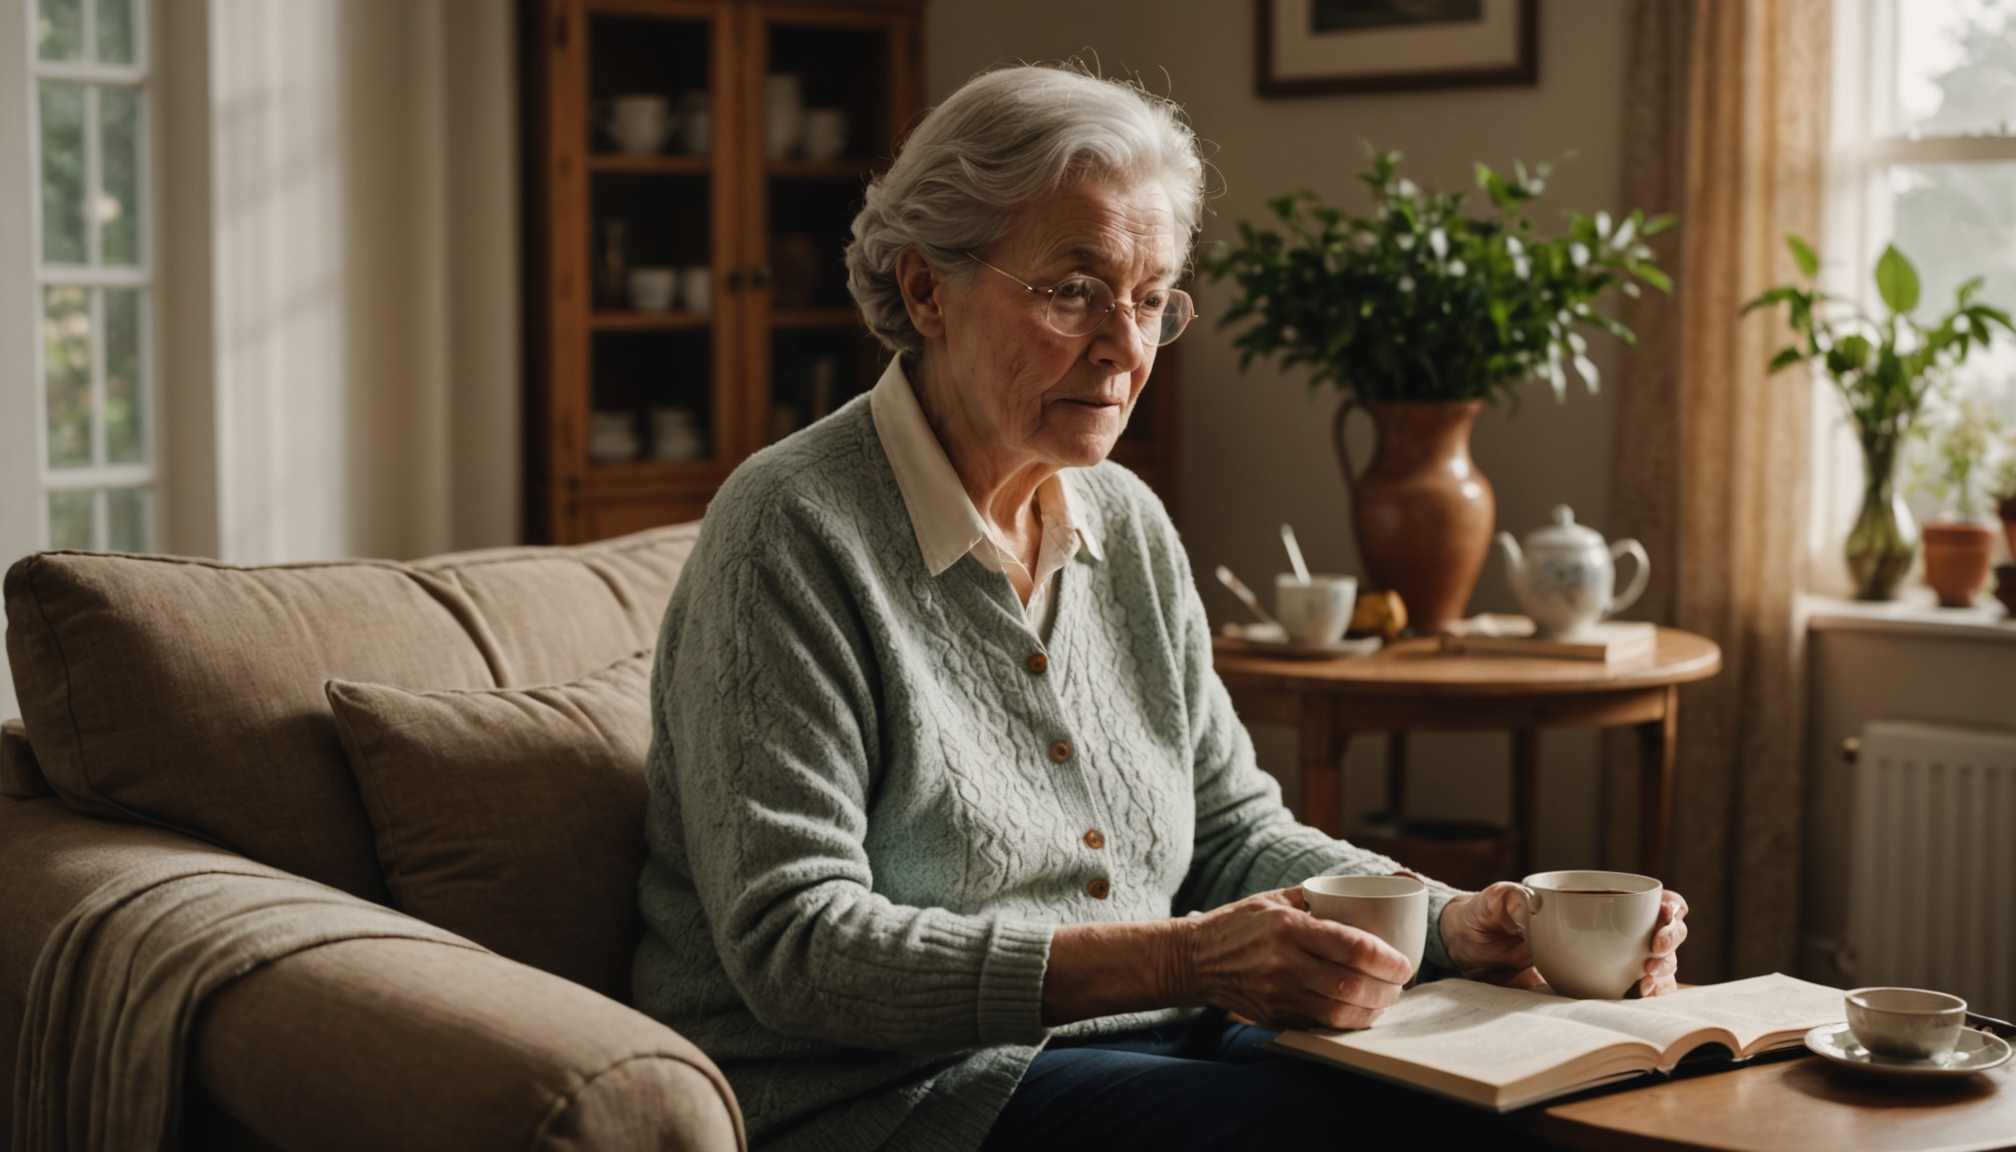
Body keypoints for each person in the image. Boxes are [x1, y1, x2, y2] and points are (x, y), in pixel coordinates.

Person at [632, 63, 1689, 1152]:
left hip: (1160, 1040)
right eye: (1072, 290)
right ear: (925, 291)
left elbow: (1234, 834)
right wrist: (1181, 959)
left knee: (1529, 1104)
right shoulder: (790, 529)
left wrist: (1454, 920)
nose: (1127, 351)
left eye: (1149, 300)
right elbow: (796, 948)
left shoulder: (1123, 522)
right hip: (894, 1093)